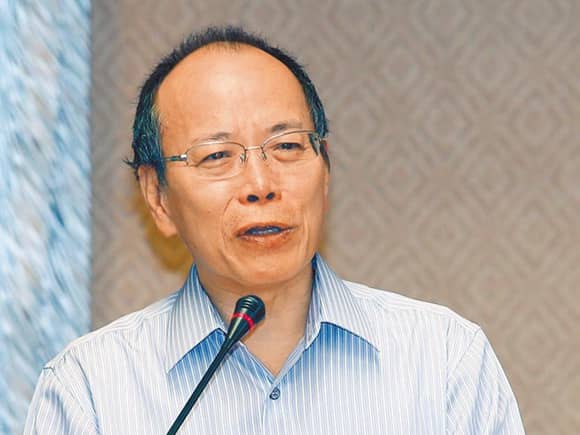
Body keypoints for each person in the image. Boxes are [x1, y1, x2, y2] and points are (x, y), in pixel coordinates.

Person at [25, 26, 525, 434]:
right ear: (158, 197)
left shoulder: (444, 362)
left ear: (325, 168)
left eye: (287, 147)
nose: (261, 185)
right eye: (217, 156)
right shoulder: (90, 391)